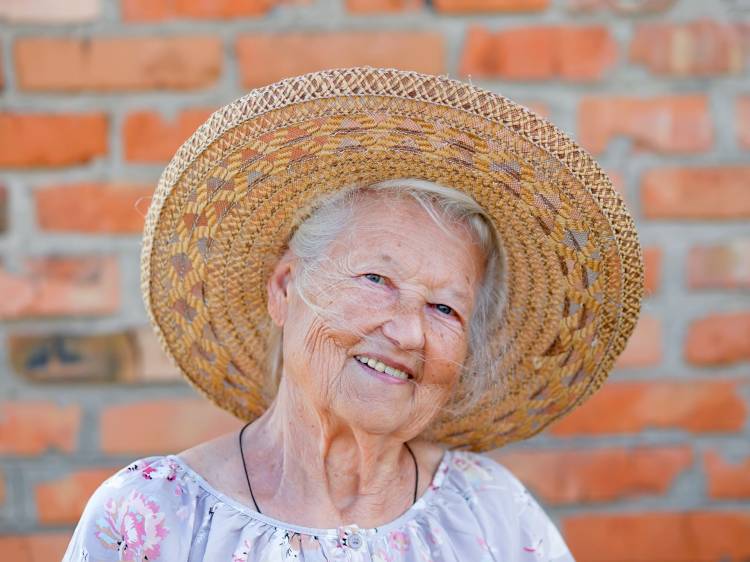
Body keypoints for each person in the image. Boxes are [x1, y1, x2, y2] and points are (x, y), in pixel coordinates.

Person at [62, 67, 644, 561]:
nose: (409, 331)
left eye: (445, 308)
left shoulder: (491, 516)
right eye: (376, 280)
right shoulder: (148, 521)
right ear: (285, 288)